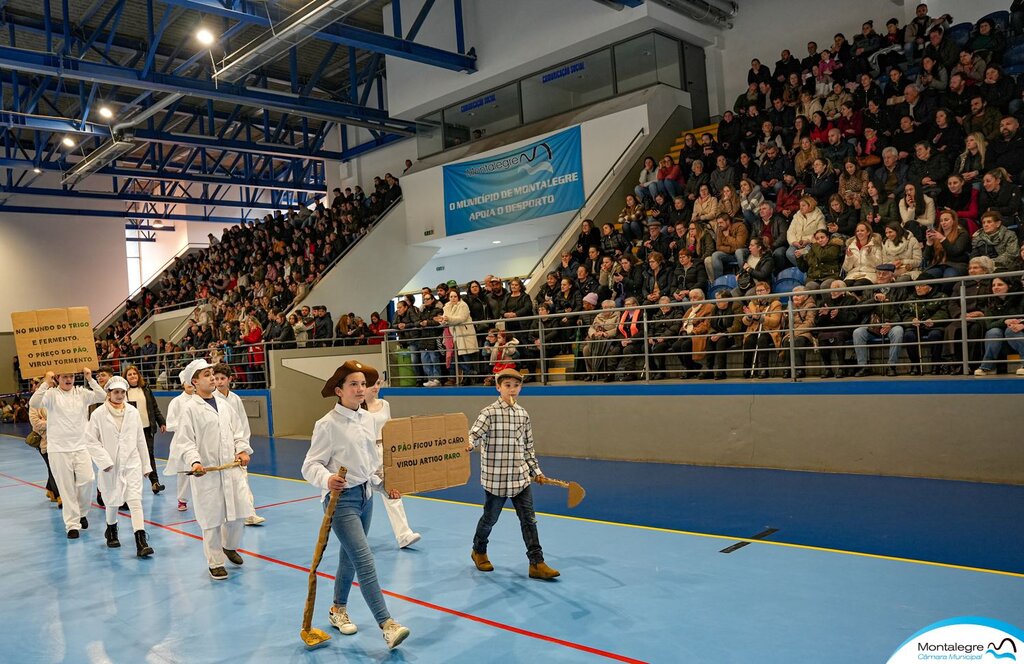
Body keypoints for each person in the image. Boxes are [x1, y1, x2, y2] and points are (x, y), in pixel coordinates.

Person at [302, 360, 411, 648]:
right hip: (341, 502)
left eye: (363, 384)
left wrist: (384, 487)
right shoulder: (326, 425)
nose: (361, 389)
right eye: (354, 384)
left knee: (349, 557)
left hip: (365, 497)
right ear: (339, 390)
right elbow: (310, 465)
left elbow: (370, 467)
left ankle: (338, 609)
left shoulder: (368, 419)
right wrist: (326, 479)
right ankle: (387, 623)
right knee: (364, 559)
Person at [465, 367, 559, 580]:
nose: (512, 389)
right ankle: (478, 550)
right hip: (496, 480)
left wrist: (536, 471)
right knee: (490, 518)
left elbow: (528, 447)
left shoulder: (523, 414)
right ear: (498, 387)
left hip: (520, 478)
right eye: (507, 386)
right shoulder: (488, 413)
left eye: (516, 386)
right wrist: (469, 444)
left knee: (529, 520)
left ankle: (537, 562)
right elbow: (474, 435)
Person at [166, 359, 254, 580]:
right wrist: (195, 461)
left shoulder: (225, 405)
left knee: (238, 514)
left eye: (212, 373)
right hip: (207, 472)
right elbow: (186, 442)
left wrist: (243, 450)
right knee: (212, 519)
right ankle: (215, 562)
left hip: (231, 470)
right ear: (194, 381)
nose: (212, 377)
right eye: (206, 374)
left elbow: (239, 431)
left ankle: (229, 546)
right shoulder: (189, 410)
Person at [29, 367, 107, 538]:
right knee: (66, 488)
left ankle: (82, 512)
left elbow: (102, 396)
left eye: (71, 376)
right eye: (65, 376)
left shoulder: (82, 393)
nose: (69, 379)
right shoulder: (51, 395)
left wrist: (90, 378)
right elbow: (34, 403)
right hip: (58, 449)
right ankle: (72, 524)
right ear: (58, 378)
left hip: (81, 446)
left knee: (87, 480)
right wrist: (44, 383)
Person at [82, 376, 154, 557]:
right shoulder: (98, 414)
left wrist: (146, 465)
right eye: (116, 392)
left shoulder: (132, 412)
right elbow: (90, 440)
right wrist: (104, 461)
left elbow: (140, 439)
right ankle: (111, 530)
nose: (120, 395)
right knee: (112, 500)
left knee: (135, 501)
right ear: (108, 393)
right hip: (111, 466)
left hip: (132, 464)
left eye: (123, 392)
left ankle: (141, 540)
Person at [363, 377, 421, 548]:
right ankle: (357, 536)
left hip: (385, 451)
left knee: (393, 491)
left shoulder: (384, 404)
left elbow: (391, 427)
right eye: (372, 384)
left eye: (378, 383)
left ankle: (404, 535)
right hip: (366, 453)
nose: (376, 387)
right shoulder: (357, 409)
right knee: (363, 494)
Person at [212, 363, 265, 526]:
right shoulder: (211, 399)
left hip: (237, 448)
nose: (219, 382)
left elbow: (242, 424)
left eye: (222, 378)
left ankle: (249, 514)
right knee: (221, 484)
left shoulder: (235, 399)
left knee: (242, 481)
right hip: (219, 448)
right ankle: (223, 515)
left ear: (229, 379)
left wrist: (242, 448)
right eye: (216, 379)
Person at [123, 365, 166, 494]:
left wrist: (161, 422)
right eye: (129, 374)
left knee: (149, 455)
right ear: (125, 377)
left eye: (134, 374)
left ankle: (155, 482)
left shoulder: (145, 389)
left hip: (147, 428)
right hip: (130, 430)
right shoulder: (123, 392)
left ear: (138, 376)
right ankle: (129, 486)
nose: (133, 376)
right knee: (130, 457)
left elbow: (154, 406)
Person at [164, 381, 195, 512]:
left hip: (200, 439)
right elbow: (170, 424)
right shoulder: (176, 402)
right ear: (183, 383)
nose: (190, 384)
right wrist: (185, 426)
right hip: (182, 440)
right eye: (187, 381)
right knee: (184, 471)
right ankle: (182, 499)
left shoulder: (200, 400)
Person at [27, 379, 59, 505]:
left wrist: (47, 422)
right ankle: (59, 496)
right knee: (53, 468)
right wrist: (54, 422)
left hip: (60, 440)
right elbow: (36, 424)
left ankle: (50, 489)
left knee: (54, 467)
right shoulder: (35, 405)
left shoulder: (57, 402)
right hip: (44, 443)